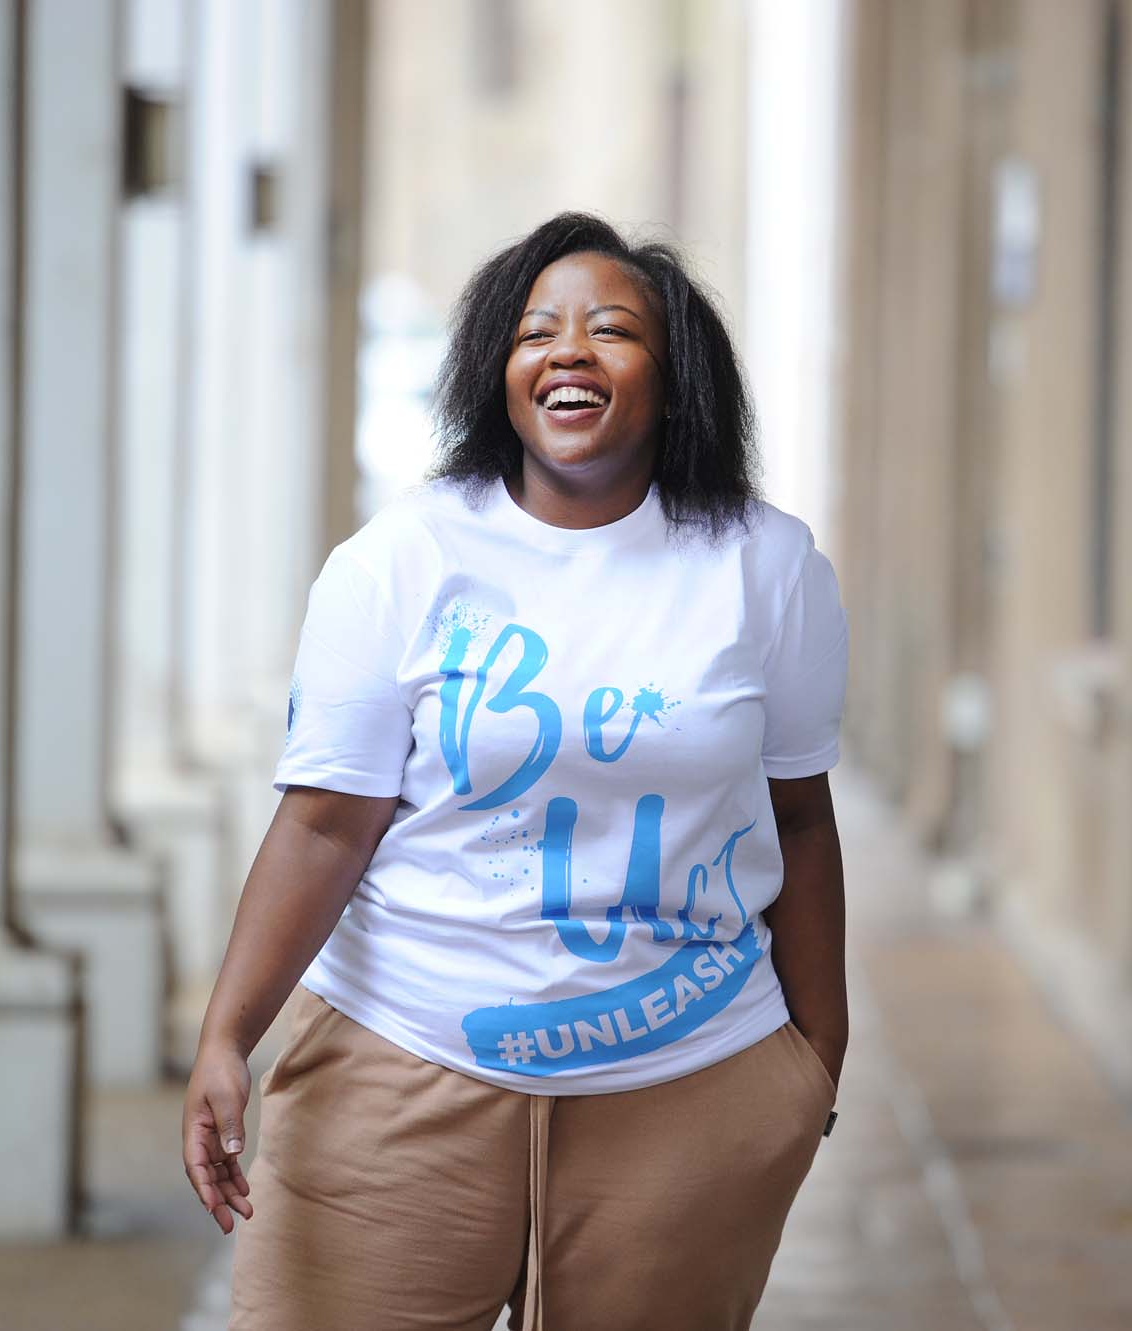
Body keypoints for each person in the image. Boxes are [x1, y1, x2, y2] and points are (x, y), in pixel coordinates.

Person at [183, 211, 851, 1331]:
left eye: (612, 329)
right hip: (400, 1069)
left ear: (675, 376)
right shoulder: (400, 558)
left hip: (685, 1087)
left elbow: (800, 818)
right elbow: (321, 828)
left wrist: (812, 1062)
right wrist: (225, 1034)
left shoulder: (764, 566)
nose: (569, 349)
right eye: (536, 330)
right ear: (501, 374)